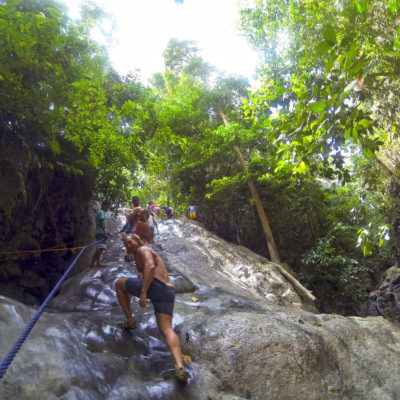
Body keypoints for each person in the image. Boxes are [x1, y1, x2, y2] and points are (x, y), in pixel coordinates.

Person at [115, 229, 189, 383]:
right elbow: (143, 272)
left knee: (119, 283)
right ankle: (179, 365)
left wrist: (143, 293)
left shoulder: (143, 249)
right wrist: (130, 256)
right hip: (167, 291)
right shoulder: (138, 253)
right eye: (126, 244)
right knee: (166, 329)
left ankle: (130, 321)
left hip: (156, 286)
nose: (128, 245)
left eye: (130, 241)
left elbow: (149, 267)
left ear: (138, 240)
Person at [90, 200, 111, 268]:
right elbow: (102, 223)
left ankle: (92, 263)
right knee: (100, 248)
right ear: (103, 205)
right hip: (101, 233)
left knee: (99, 248)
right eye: (107, 207)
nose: (107, 209)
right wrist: (105, 233)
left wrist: (108, 233)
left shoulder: (100, 212)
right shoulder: (101, 212)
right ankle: (98, 263)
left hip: (100, 232)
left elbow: (102, 224)